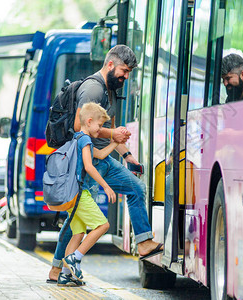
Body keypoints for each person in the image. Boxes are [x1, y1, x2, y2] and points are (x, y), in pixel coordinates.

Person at [48, 45, 163, 283]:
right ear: (110, 64)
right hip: (88, 162)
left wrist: (128, 155)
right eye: (124, 70)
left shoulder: (109, 91)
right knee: (76, 221)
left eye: (129, 71)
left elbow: (110, 132)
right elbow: (81, 128)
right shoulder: (93, 88)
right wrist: (112, 135)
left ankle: (143, 243)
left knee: (136, 188)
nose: (126, 76)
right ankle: (57, 269)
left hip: (104, 159)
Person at [58, 102, 117, 286]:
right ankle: (75, 258)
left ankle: (64, 274)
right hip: (79, 194)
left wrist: (115, 143)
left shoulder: (78, 138)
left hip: (70, 194)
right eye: (100, 126)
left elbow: (98, 155)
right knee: (103, 225)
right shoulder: (86, 140)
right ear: (89, 121)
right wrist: (106, 186)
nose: (101, 130)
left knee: (78, 234)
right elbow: (89, 166)